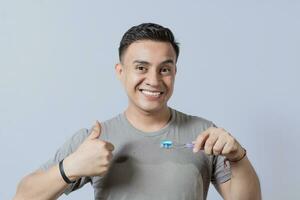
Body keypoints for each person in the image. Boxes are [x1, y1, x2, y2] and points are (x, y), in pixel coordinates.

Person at [14, 23, 261, 200]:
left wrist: (238, 157)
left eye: (165, 69)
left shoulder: (205, 134)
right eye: (141, 67)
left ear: (175, 72)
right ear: (121, 72)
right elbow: (23, 196)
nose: (153, 80)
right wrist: (70, 167)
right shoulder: (95, 139)